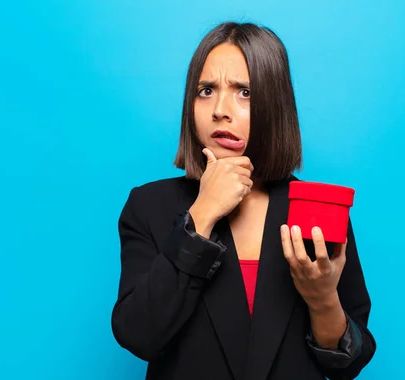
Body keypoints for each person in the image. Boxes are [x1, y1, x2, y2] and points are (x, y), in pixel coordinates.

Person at [111, 21, 376, 380]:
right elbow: (137, 334)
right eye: (206, 90)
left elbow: (350, 361)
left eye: (244, 92)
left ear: (275, 104)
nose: (221, 109)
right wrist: (201, 215)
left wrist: (322, 298)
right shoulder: (148, 206)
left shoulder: (318, 208)